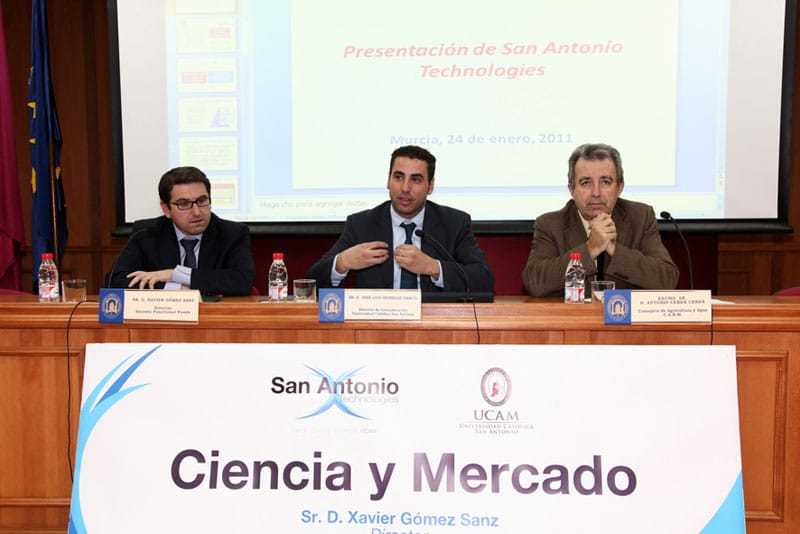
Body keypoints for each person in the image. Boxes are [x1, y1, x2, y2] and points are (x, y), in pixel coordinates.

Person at [307, 145, 494, 292]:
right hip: (378, 323)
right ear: (388, 180)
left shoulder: (454, 223)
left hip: (434, 321)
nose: (405, 188)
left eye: (416, 179)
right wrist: (343, 262)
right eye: (398, 177)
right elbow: (311, 282)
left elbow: (484, 280)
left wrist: (433, 267)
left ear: (430, 186)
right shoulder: (362, 224)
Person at [522, 143, 678, 297]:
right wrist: (590, 248)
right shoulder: (550, 224)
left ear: (619, 187)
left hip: (623, 313)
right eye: (585, 183)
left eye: (605, 182)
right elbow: (534, 282)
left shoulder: (640, 217)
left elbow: (667, 279)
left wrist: (614, 249)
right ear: (571, 189)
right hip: (574, 314)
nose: (596, 193)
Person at [109, 166, 255, 296]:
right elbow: (117, 282)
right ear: (166, 209)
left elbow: (242, 281)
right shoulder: (146, 234)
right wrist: (176, 289)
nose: (197, 212)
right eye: (184, 204)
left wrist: (176, 274)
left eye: (202, 201)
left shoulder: (232, 233)